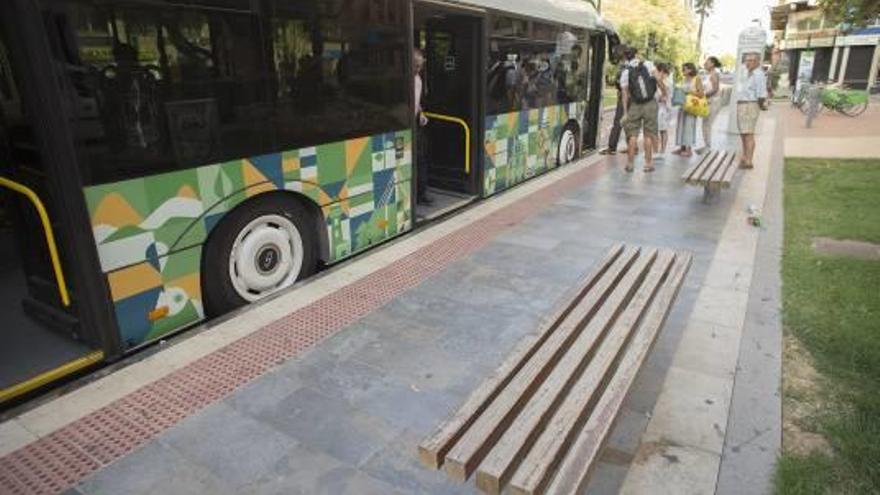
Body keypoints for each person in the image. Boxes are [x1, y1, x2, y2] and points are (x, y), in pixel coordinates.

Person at [619, 46, 657, 172]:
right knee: (648, 135)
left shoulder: (625, 72)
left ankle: (630, 164)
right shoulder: (648, 64)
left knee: (633, 135)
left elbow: (624, 94)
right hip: (650, 103)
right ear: (637, 54)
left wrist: (625, 112)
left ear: (625, 57)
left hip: (635, 104)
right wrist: (665, 92)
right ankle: (648, 164)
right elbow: (658, 79)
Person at [736, 52, 768, 169]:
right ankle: (745, 157)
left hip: (750, 105)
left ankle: (749, 161)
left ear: (757, 62)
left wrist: (759, 106)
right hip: (742, 104)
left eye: (751, 60)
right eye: (747, 60)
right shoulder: (746, 72)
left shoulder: (758, 74)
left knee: (748, 133)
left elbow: (761, 94)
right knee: (743, 133)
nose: (748, 62)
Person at [600, 44, 629, 155]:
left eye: (615, 52)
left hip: (624, 96)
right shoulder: (631, 63)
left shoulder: (624, 65)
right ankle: (633, 146)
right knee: (627, 122)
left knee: (618, 121)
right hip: (630, 96)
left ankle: (612, 147)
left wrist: (615, 84)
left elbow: (620, 81)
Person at [413, 48, 433, 205]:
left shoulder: (418, 78)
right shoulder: (406, 79)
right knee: (417, 159)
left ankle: (421, 193)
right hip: (406, 124)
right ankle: (419, 193)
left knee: (421, 158)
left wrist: (421, 113)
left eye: (420, 65)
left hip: (415, 124)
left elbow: (416, 102)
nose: (418, 68)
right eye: (417, 65)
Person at [673, 62, 703, 158]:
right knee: (681, 126)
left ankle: (688, 150)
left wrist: (690, 92)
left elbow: (701, 94)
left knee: (689, 127)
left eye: (684, 69)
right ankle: (682, 147)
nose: (683, 71)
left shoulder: (697, 79)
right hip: (683, 106)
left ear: (690, 69)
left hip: (691, 106)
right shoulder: (684, 79)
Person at [698, 56, 722, 154]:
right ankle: (706, 146)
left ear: (712, 64)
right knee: (705, 124)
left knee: (707, 125)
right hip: (708, 102)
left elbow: (715, 89)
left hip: (712, 102)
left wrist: (704, 95)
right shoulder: (709, 74)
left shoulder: (714, 74)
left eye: (707, 62)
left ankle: (708, 147)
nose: (705, 64)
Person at [654, 62, 673, 157]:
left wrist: (660, 97)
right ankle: (658, 151)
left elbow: (664, 96)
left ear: (661, 71)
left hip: (663, 109)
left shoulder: (667, 81)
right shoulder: (661, 80)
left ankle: (662, 151)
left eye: (657, 70)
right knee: (658, 130)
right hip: (658, 108)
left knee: (663, 130)